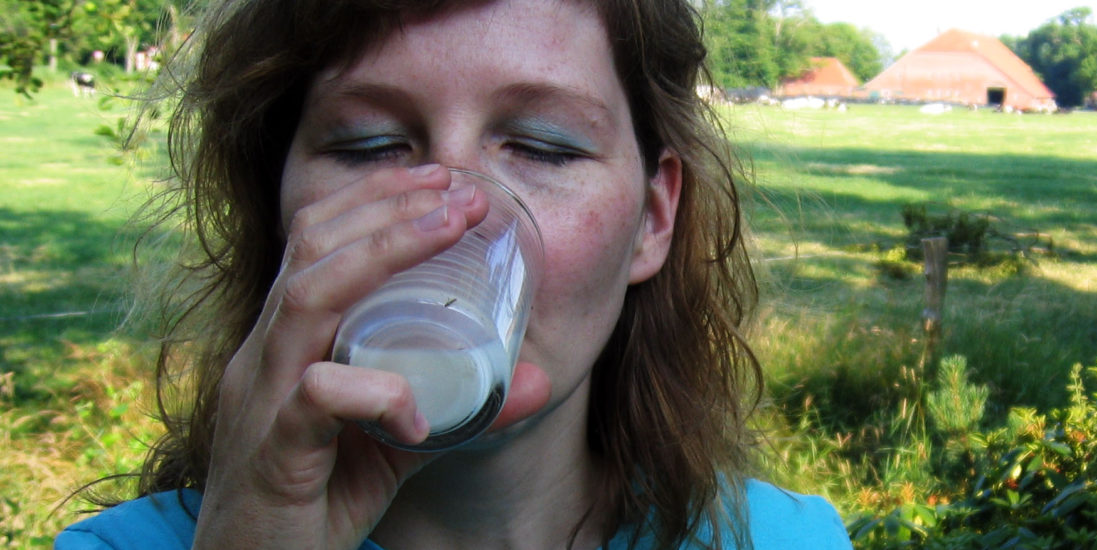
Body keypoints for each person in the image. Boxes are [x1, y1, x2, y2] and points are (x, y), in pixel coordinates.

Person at [56, 0, 852, 548]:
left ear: (651, 220)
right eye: (368, 146)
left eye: (543, 145)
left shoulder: (788, 541)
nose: (458, 218)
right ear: (279, 207)